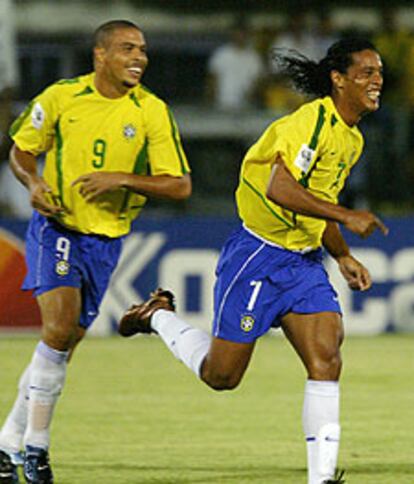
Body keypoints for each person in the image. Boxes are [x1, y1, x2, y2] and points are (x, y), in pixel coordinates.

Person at [118, 38, 387, 484]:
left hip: (302, 263)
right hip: (258, 256)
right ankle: (158, 316)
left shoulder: (351, 138)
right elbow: (279, 189)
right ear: (338, 79)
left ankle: (321, 479)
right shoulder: (311, 123)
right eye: (366, 73)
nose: (376, 82)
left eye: (379, 73)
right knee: (222, 376)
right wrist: (346, 216)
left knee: (327, 357)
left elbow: (316, 201)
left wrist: (341, 255)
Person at [0, 19, 191, 484]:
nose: (139, 57)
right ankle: (36, 452)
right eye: (128, 48)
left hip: (106, 241)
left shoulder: (151, 111)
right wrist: (35, 181)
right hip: (57, 226)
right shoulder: (63, 97)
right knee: (59, 329)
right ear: (100, 55)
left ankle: (6, 444)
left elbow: (180, 185)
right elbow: (22, 150)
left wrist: (122, 179)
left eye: (143, 49)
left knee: (61, 346)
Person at [206, 19, 264, 111]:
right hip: (222, 106)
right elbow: (212, 81)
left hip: (246, 108)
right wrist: (211, 102)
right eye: (237, 32)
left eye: (243, 33)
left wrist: (252, 94)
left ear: (247, 34)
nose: (240, 36)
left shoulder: (254, 57)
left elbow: (258, 82)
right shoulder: (221, 55)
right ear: (232, 33)